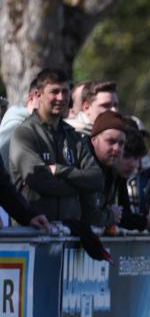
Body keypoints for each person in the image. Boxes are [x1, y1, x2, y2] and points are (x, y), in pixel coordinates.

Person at [10, 69, 104, 222]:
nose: (61, 98)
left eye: (65, 92)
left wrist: (59, 170)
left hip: (69, 234)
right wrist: (80, 187)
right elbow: (38, 179)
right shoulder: (24, 133)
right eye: (54, 92)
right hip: (33, 232)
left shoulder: (74, 136)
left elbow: (97, 179)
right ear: (39, 95)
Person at [116, 126, 150, 234]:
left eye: (137, 158)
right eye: (126, 156)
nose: (132, 164)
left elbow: (125, 216)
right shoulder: (107, 177)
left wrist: (149, 220)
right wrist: (146, 221)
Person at [84, 111, 132, 229]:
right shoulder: (84, 167)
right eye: (110, 141)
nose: (116, 148)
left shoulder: (113, 171)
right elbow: (88, 214)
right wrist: (111, 215)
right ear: (94, 140)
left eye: (121, 143)